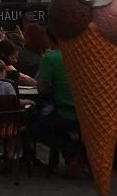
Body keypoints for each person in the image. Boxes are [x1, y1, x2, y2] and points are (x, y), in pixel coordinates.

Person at [32, 33, 85, 176]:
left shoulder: (51, 58)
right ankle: (79, 150)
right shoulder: (86, 53)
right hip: (93, 114)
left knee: (37, 126)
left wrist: (54, 87)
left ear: (50, 40)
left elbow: (41, 89)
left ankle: (72, 154)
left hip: (66, 114)